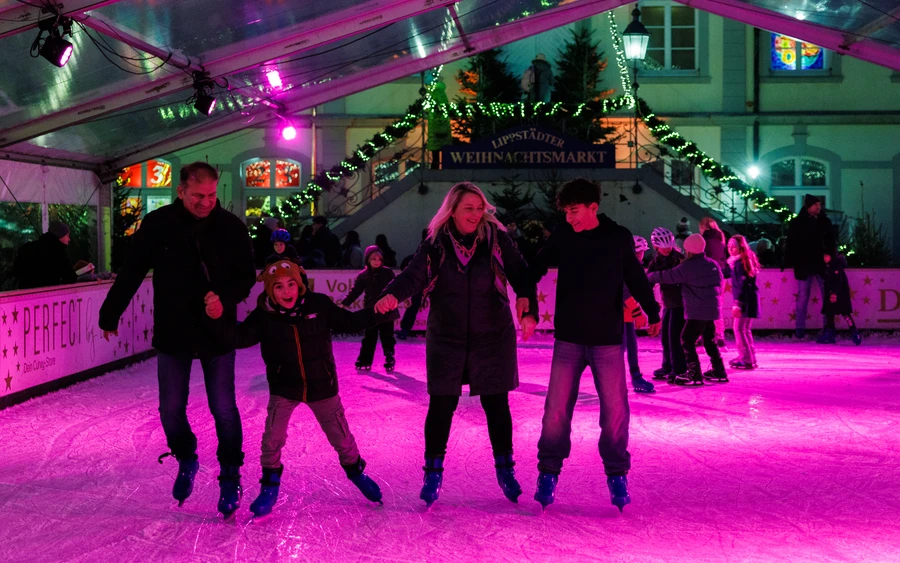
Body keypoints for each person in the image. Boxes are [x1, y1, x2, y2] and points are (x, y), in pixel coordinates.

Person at [98, 162, 256, 519]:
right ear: (181, 191)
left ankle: (230, 474)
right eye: (198, 195)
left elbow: (246, 276)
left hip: (217, 331)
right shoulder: (158, 224)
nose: (206, 202)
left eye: (212, 195)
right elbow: (133, 270)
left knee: (224, 407)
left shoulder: (231, 227)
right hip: (174, 329)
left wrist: (224, 298)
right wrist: (110, 313)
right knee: (170, 409)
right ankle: (186, 456)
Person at [374, 182, 538, 507]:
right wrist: (391, 294)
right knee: (442, 404)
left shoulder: (495, 237)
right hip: (447, 336)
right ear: (452, 211)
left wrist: (527, 303)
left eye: (480, 208)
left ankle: (506, 470)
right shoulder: (436, 243)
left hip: (493, 335)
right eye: (469, 209)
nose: (476, 215)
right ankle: (433, 472)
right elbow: (413, 276)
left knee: (496, 403)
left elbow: (521, 271)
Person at [215, 258, 397, 517]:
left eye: (291, 284)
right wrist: (215, 318)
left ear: (299, 284)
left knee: (341, 437)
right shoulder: (264, 315)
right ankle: (269, 486)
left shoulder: (318, 305)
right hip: (284, 386)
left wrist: (380, 311)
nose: (286, 291)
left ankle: (357, 473)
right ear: (270, 290)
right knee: (272, 439)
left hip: (322, 385)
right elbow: (238, 337)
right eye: (278, 286)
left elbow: (351, 322)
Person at [526, 178, 661, 513]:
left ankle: (617, 474)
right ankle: (548, 472)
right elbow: (536, 267)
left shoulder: (617, 237)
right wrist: (526, 299)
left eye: (574, 211)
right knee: (556, 411)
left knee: (615, 412)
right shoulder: (563, 235)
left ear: (592, 208)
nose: (569, 218)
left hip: (607, 340)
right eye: (566, 212)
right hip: (568, 338)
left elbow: (635, 276)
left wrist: (652, 309)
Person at [647, 233, 726, 386]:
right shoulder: (712, 264)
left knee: (686, 340)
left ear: (689, 249)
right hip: (712, 310)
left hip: (697, 311)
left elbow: (667, 276)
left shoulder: (688, 266)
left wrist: (650, 276)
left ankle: (694, 374)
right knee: (709, 340)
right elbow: (720, 282)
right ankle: (719, 370)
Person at [785, 194, 835, 338]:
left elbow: (831, 240)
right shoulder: (798, 223)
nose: (819, 207)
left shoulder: (823, 222)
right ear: (809, 206)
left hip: (819, 264)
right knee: (803, 296)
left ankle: (828, 326)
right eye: (816, 205)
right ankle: (800, 328)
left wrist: (829, 254)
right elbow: (792, 243)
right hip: (805, 264)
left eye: (819, 205)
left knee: (824, 295)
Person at [343, 246, 397, 371]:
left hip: (386, 310)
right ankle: (365, 360)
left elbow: (396, 287)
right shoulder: (363, 275)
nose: (377, 261)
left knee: (387, 336)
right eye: (374, 259)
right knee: (369, 337)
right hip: (370, 310)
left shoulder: (388, 273)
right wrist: (346, 303)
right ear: (368, 259)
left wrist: (405, 298)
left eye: (379, 259)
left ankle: (389, 357)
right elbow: (356, 291)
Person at [647, 227, 687, 383]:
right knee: (665, 337)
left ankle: (679, 368)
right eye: (662, 247)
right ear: (656, 246)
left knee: (675, 337)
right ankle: (668, 365)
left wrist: (654, 276)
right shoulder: (656, 261)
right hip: (668, 304)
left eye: (668, 246)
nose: (666, 249)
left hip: (681, 303)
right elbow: (647, 283)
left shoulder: (679, 259)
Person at [623, 235, 655, 394]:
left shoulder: (632, 267)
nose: (643, 255)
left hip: (626, 314)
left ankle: (635, 377)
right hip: (618, 315)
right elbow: (623, 291)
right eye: (641, 252)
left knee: (631, 346)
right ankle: (615, 380)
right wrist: (637, 312)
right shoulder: (625, 267)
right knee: (619, 348)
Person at [727, 235, 760, 369]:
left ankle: (746, 359)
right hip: (749, 299)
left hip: (745, 301)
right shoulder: (741, 261)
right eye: (729, 246)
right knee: (744, 329)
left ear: (740, 247)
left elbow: (743, 285)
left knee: (739, 329)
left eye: (733, 247)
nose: (730, 249)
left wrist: (738, 303)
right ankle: (750, 357)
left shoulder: (740, 263)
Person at [13, 221, 77, 289]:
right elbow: (70, 278)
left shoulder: (27, 247)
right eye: (67, 235)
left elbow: (16, 271)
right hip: (48, 293)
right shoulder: (59, 253)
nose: (69, 239)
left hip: (24, 292)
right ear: (60, 235)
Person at [818, 250, 862, 346]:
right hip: (832, 295)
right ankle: (830, 333)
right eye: (824, 256)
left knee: (845, 313)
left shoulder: (836, 267)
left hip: (839, 296)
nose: (825, 258)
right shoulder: (829, 267)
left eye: (827, 256)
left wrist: (834, 293)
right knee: (829, 313)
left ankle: (854, 332)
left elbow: (838, 281)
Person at [699, 217, 731, 348]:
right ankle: (719, 336)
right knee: (717, 306)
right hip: (720, 275)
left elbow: (701, 258)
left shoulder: (704, 240)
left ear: (703, 227)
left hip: (706, 275)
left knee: (702, 306)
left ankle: (702, 336)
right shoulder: (720, 239)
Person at [397, 229, 429, 340]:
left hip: (420, 281)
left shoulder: (423, 247)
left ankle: (405, 330)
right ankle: (405, 330)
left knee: (414, 305)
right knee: (415, 305)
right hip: (424, 280)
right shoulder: (429, 246)